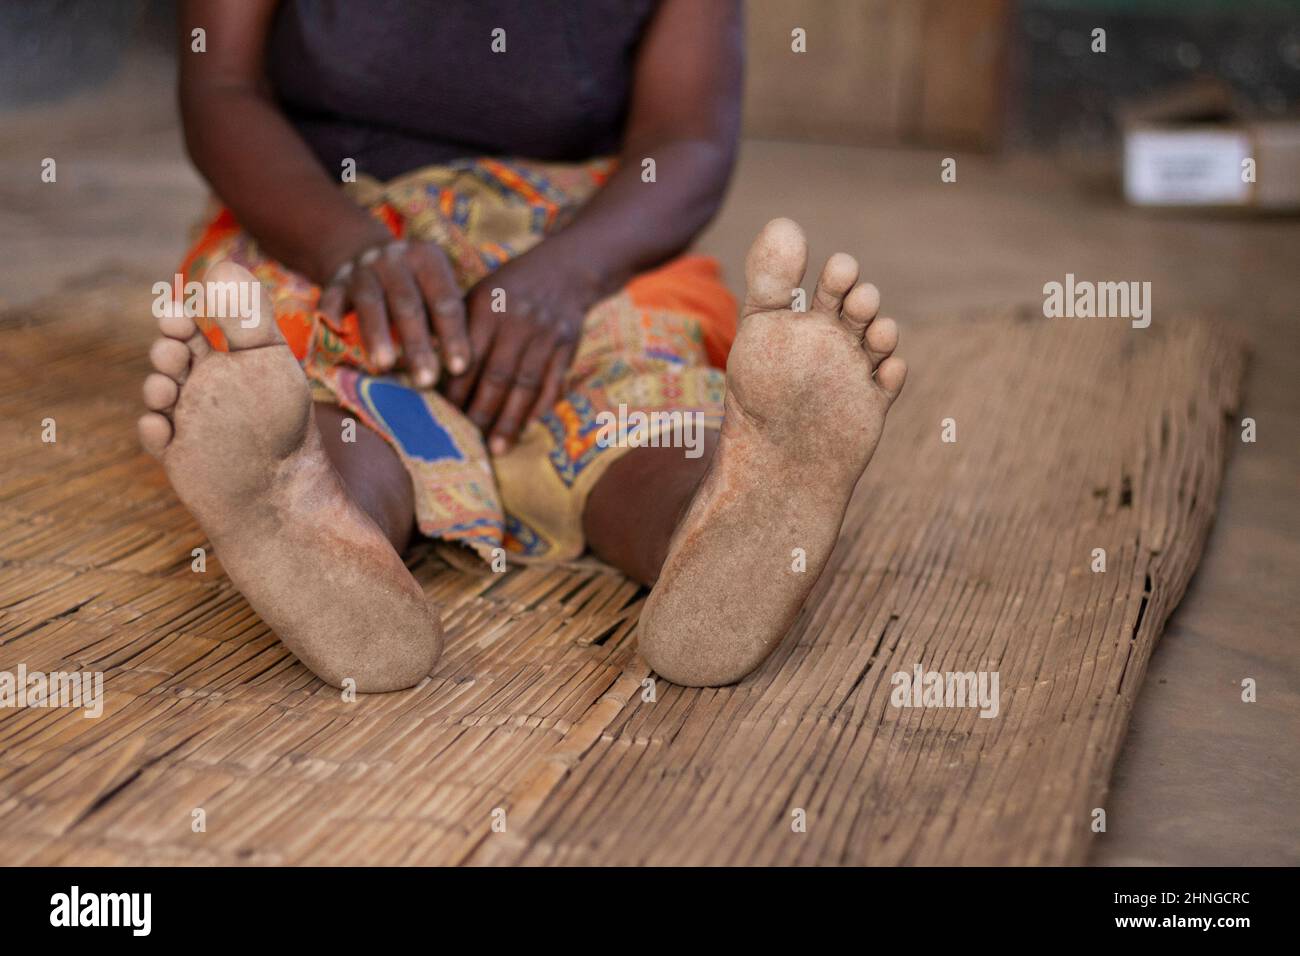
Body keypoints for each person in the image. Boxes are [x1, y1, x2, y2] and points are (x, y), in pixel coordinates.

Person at [138, 0, 906, 691]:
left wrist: (569, 275)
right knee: (311, 365)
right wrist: (346, 249)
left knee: (642, 385)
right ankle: (307, 507)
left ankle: (718, 519)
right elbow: (221, 87)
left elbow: (687, 137)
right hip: (321, 220)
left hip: (588, 233)